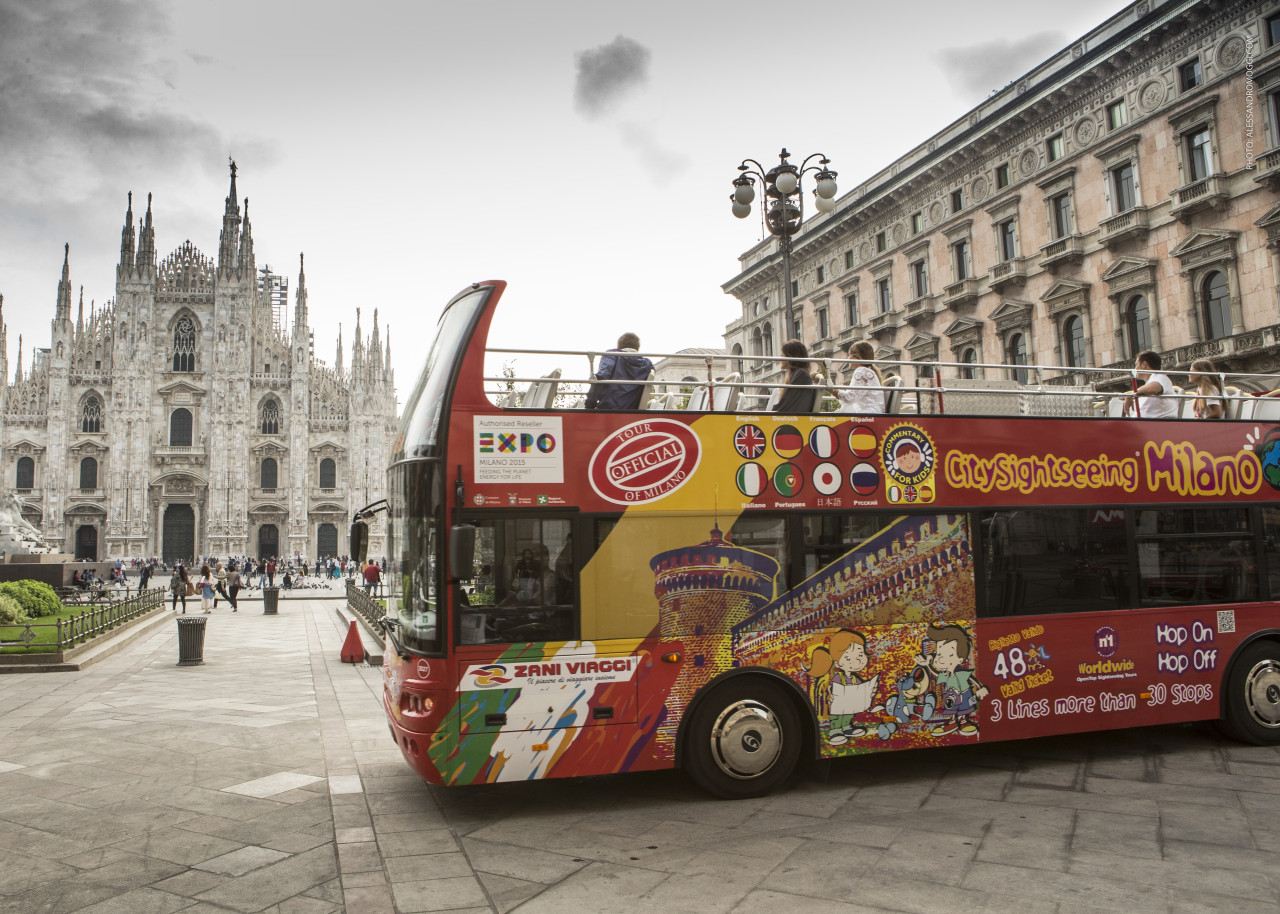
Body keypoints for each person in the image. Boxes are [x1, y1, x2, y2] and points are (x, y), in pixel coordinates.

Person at [585, 332, 654, 410]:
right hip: (633, 410)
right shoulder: (647, 364)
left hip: (609, 409)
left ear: (620, 345)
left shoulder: (612, 355)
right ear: (637, 347)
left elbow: (601, 377)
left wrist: (589, 404)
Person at [831, 340, 885, 415]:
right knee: (845, 408)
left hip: (869, 413)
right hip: (873, 411)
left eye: (849, 355)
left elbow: (850, 398)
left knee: (843, 410)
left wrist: (833, 391)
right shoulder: (866, 371)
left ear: (857, 357)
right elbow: (852, 398)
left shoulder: (861, 371)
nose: (847, 358)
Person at [1122, 350, 1178, 419]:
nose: (1135, 369)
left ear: (1144, 365)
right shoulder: (1150, 381)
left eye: (1136, 365)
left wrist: (1131, 395)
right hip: (1142, 423)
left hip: (1156, 423)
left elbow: (1153, 388)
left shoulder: (1160, 376)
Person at [773, 339, 817, 413]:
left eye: (782, 355)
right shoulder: (797, 374)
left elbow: (786, 405)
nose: (780, 358)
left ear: (790, 357)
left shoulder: (800, 375)